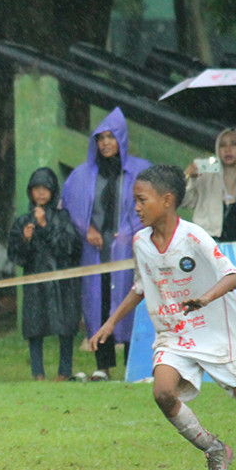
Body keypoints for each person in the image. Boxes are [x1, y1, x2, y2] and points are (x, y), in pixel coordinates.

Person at [89, 164, 236, 470]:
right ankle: (214, 449)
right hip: (174, 333)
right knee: (163, 392)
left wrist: (205, 297)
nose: (135, 207)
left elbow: (233, 275)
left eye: (141, 200)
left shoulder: (193, 236)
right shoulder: (141, 242)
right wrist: (110, 322)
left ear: (167, 201)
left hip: (216, 330)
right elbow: (140, 286)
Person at [61, 107, 151, 381]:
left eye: (111, 137)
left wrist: (130, 231)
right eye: (101, 138)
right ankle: (103, 365)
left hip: (130, 248)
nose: (105, 143)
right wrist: (86, 229)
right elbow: (71, 205)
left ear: (120, 139)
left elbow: (151, 203)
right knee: (98, 303)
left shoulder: (140, 170)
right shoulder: (83, 174)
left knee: (131, 302)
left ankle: (132, 365)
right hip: (97, 250)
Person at [7, 168, 82, 381]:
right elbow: (16, 256)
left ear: (53, 191)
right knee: (34, 328)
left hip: (61, 283)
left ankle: (64, 372)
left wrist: (45, 226)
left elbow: (70, 247)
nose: (40, 194)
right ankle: (37, 373)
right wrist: (25, 240)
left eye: (45, 189)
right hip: (35, 282)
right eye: (36, 189)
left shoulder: (62, 218)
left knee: (65, 326)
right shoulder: (23, 221)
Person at [182, 128, 236, 242]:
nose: (227, 149)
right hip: (205, 242)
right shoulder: (205, 175)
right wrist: (189, 178)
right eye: (222, 145)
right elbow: (185, 203)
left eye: (234, 144)